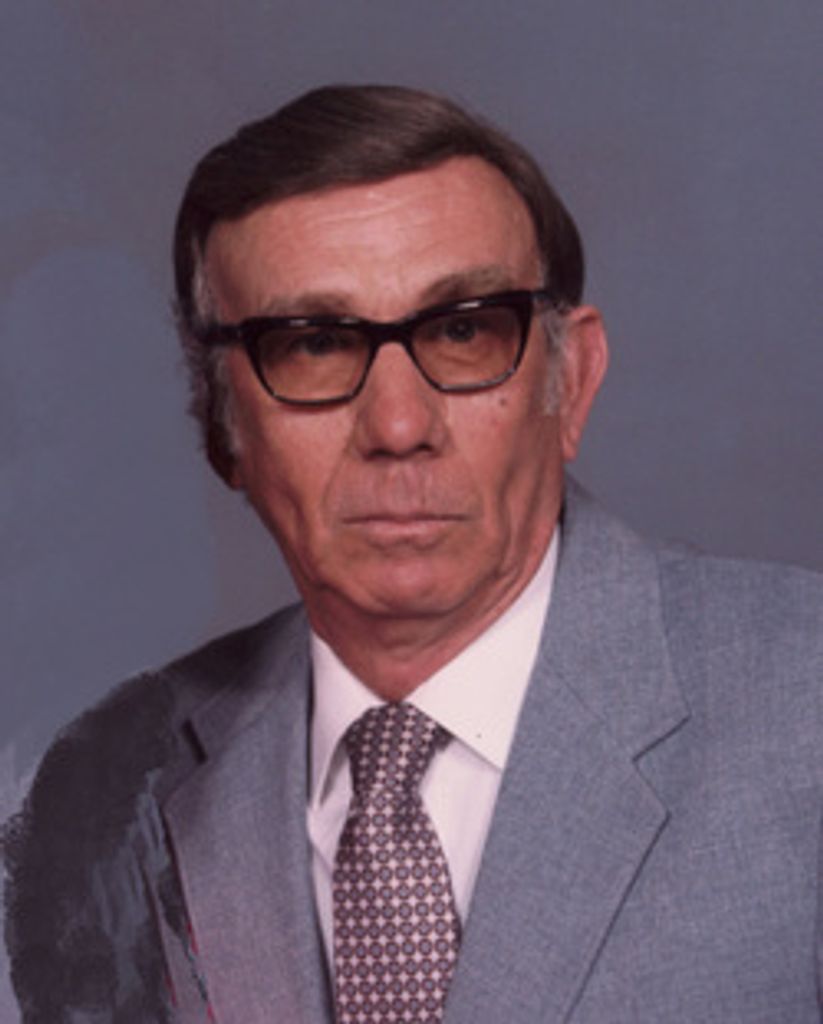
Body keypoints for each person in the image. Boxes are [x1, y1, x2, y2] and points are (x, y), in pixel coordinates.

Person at [4, 84, 823, 1024]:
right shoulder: (94, 792)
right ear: (221, 429)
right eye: (314, 345)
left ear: (573, 380)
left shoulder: (801, 705)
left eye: (463, 330)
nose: (398, 427)